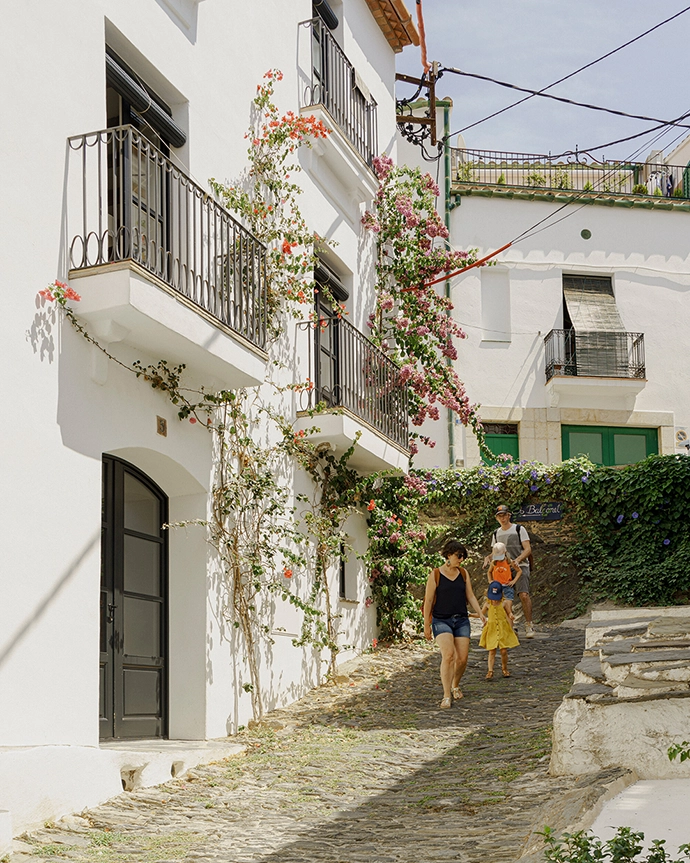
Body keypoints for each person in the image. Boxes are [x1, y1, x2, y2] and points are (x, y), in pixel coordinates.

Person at [423, 539, 486, 708]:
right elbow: (428, 600)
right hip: (441, 620)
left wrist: (480, 613)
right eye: (459, 556)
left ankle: (455, 685)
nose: (461, 559)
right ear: (449, 555)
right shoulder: (435, 574)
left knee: (462, 659)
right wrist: (426, 624)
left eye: (463, 556)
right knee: (449, 655)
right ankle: (446, 695)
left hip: (461, 620)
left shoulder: (463, 573)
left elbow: (470, 595)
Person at [484, 504, 535, 637]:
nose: (502, 518)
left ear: (509, 516)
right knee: (505, 598)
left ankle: (529, 624)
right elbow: (495, 552)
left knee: (523, 595)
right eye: (499, 516)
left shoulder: (519, 529)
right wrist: (488, 558)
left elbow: (528, 549)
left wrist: (517, 560)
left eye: (504, 515)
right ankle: (510, 626)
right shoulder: (496, 533)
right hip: (502, 568)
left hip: (521, 566)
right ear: (496, 518)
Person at [479, 580, 519, 679]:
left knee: (503, 651)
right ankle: (490, 671)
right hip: (492, 629)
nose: (495, 600)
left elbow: (509, 612)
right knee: (491, 651)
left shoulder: (504, 603)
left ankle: (504, 668)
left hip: (502, 629)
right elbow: (480, 614)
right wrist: (470, 615)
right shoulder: (487, 604)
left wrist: (511, 615)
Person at [487, 541, 519, 624]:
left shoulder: (509, 562)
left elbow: (519, 571)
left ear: (505, 552)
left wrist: (514, 581)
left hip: (507, 587)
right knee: (497, 609)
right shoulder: (494, 562)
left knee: (508, 610)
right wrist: (490, 581)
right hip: (497, 588)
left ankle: (510, 629)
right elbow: (489, 572)